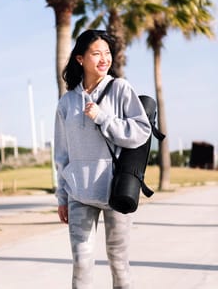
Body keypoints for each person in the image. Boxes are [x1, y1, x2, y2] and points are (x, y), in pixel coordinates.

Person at [54, 29, 151, 289]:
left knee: (119, 261)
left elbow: (141, 131)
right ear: (80, 59)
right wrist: (62, 196)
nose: (103, 59)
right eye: (96, 53)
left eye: (107, 53)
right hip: (78, 192)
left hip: (116, 190)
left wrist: (103, 118)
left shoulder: (120, 88)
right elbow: (62, 153)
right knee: (82, 263)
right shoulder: (66, 103)